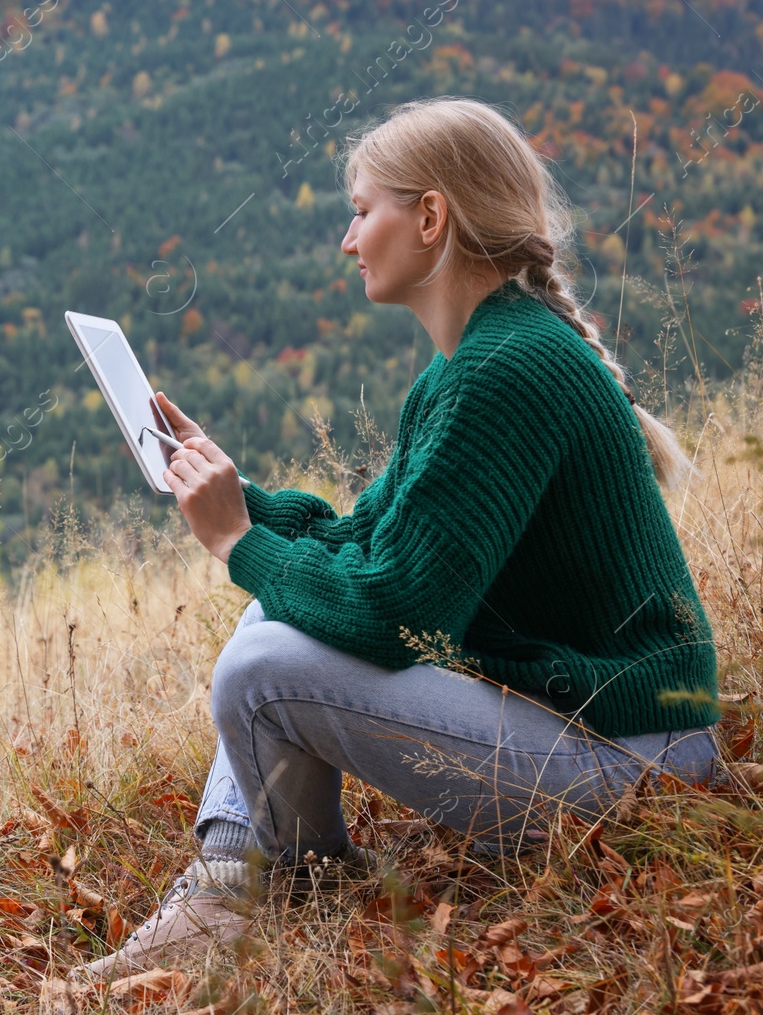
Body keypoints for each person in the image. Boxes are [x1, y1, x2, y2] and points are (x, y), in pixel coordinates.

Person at [73, 96, 723, 980]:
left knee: (260, 668)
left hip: (635, 760)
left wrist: (233, 543)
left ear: (430, 217)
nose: (348, 239)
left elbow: (395, 615)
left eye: (361, 209)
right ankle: (233, 875)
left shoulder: (508, 372)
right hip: (600, 730)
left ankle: (277, 883)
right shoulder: (474, 364)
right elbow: (364, 544)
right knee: (282, 601)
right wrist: (239, 498)